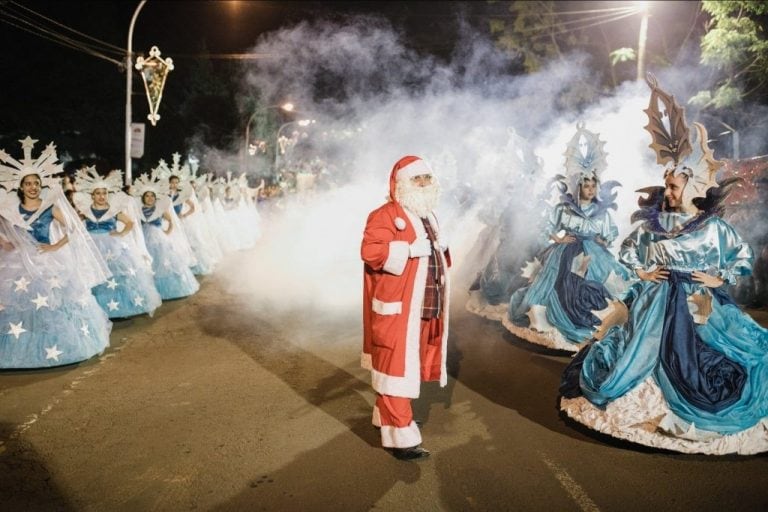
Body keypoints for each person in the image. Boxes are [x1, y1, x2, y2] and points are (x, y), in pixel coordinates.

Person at [560, 75, 768, 455]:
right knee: (633, 354)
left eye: (673, 187)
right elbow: (626, 250)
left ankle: (694, 416)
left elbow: (743, 258)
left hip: (699, 303)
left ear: (692, 188)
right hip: (653, 300)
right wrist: (640, 272)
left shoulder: (714, 228)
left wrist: (718, 278)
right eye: (667, 185)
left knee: (734, 353)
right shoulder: (653, 226)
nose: (667, 192)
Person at [503, 123, 632, 352]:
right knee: (559, 287)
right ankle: (557, 318)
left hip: (594, 255)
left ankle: (601, 317)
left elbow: (610, 233)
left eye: (594, 186)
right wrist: (558, 239)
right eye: (586, 185)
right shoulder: (565, 209)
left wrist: (602, 242)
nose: (590, 189)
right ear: (578, 186)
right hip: (565, 253)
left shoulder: (602, 212)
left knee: (604, 286)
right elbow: (547, 226)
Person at [361, 155, 451, 461]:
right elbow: (370, 252)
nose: (424, 183)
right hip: (398, 308)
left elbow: (437, 259)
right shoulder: (384, 214)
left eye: (427, 178)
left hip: (424, 305)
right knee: (395, 368)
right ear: (401, 184)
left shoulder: (428, 215)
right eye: (417, 179)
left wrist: (443, 248)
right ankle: (401, 437)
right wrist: (409, 250)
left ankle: (386, 417)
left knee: (406, 364)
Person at [0, 137, 112, 368]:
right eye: (28, 183)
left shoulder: (50, 206)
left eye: (36, 183)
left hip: (47, 260)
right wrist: (5, 242)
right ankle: (19, 349)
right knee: (18, 305)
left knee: (53, 303)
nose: (32, 187)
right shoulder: (11, 209)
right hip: (18, 261)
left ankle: (55, 346)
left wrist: (55, 246)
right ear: (20, 187)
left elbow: (75, 229)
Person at [73, 167, 161, 318]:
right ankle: (98, 309)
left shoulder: (113, 211)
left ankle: (119, 307)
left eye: (104, 193)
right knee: (95, 275)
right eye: (98, 193)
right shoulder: (86, 212)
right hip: (92, 247)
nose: (101, 196)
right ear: (92, 196)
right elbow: (75, 224)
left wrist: (121, 233)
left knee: (117, 276)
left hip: (111, 245)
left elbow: (130, 223)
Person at [131, 169, 199, 300]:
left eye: (152, 196)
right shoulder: (139, 208)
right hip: (144, 237)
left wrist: (167, 232)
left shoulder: (160, 207)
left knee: (162, 261)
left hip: (158, 237)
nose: (150, 198)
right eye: (147, 196)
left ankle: (166, 289)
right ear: (143, 197)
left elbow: (170, 220)